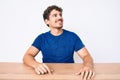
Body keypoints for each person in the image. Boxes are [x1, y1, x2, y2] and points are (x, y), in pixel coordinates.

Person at [23, 5, 95, 80]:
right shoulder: (41, 38)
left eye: (60, 15)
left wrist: (88, 66)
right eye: (55, 15)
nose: (60, 17)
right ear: (47, 21)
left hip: (69, 75)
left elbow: (86, 55)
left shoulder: (73, 36)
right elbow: (27, 56)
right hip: (48, 75)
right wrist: (36, 65)